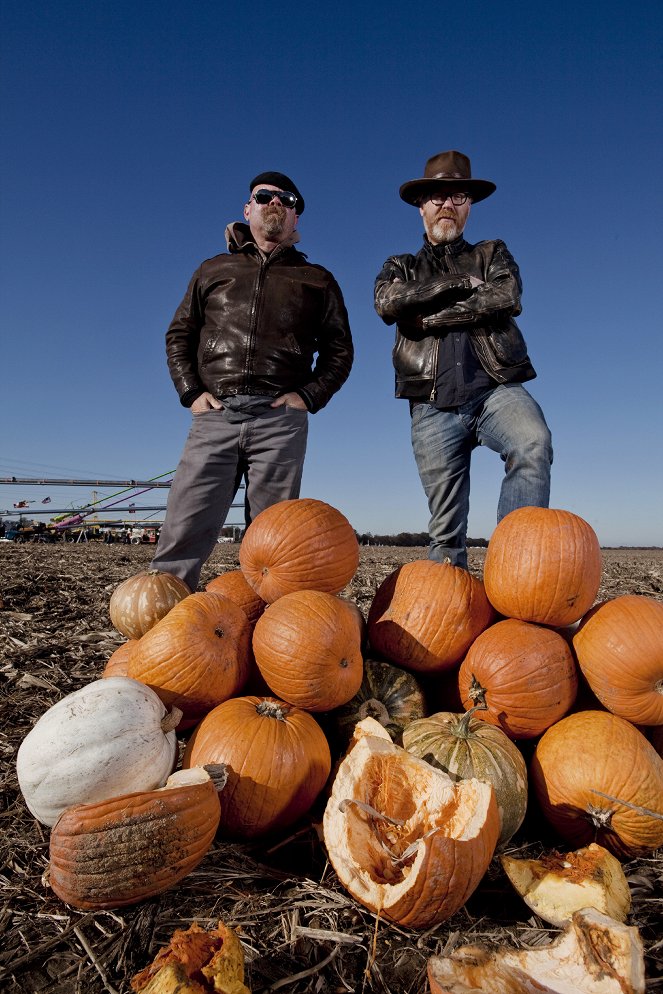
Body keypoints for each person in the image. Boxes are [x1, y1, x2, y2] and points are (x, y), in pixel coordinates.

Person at [151, 171, 353, 590]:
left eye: (288, 198)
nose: (275, 202)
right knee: (185, 522)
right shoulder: (214, 269)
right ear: (248, 209)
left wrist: (309, 395)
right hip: (216, 414)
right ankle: (162, 625)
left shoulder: (317, 279)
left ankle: (266, 635)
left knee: (274, 542)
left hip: (280, 419)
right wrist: (191, 390)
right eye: (264, 196)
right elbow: (180, 335)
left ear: (296, 217)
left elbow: (339, 350)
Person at [374, 150, 552, 569]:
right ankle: (452, 614)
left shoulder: (492, 254)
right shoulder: (400, 264)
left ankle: (516, 569)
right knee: (445, 531)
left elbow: (506, 296)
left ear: (468, 206)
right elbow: (388, 302)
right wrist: (458, 284)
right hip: (432, 406)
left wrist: (432, 316)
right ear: (422, 206)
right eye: (437, 197)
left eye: (457, 197)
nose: (447, 205)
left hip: (495, 390)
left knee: (533, 442)